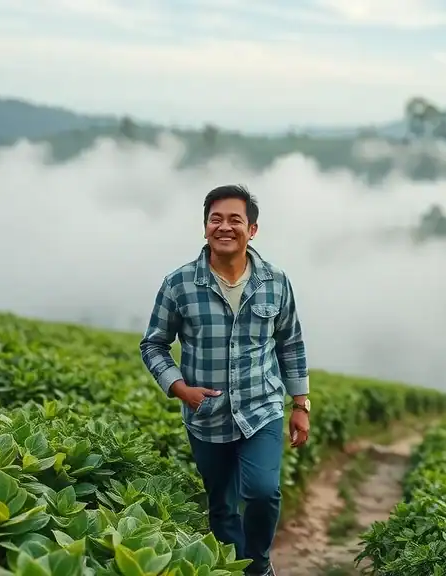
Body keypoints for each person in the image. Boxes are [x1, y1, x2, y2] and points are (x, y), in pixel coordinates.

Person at [139, 184, 310, 576]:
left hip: (261, 408)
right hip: (207, 415)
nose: (225, 226)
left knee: (263, 493)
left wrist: (300, 404)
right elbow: (153, 345)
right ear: (205, 229)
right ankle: (235, 569)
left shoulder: (275, 282)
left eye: (235, 219)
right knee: (222, 506)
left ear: (252, 230)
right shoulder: (179, 284)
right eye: (216, 219)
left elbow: (291, 344)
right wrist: (179, 388)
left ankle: (259, 563)